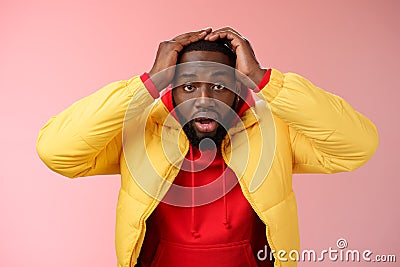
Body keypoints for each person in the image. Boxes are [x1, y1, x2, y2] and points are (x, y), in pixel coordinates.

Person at [36, 27, 379, 267]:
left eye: (218, 85)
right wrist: (147, 85)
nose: (204, 100)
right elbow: (56, 150)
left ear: (238, 88)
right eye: (188, 87)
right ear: (170, 87)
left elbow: (357, 146)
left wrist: (264, 79)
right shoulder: (143, 128)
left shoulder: (272, 129)